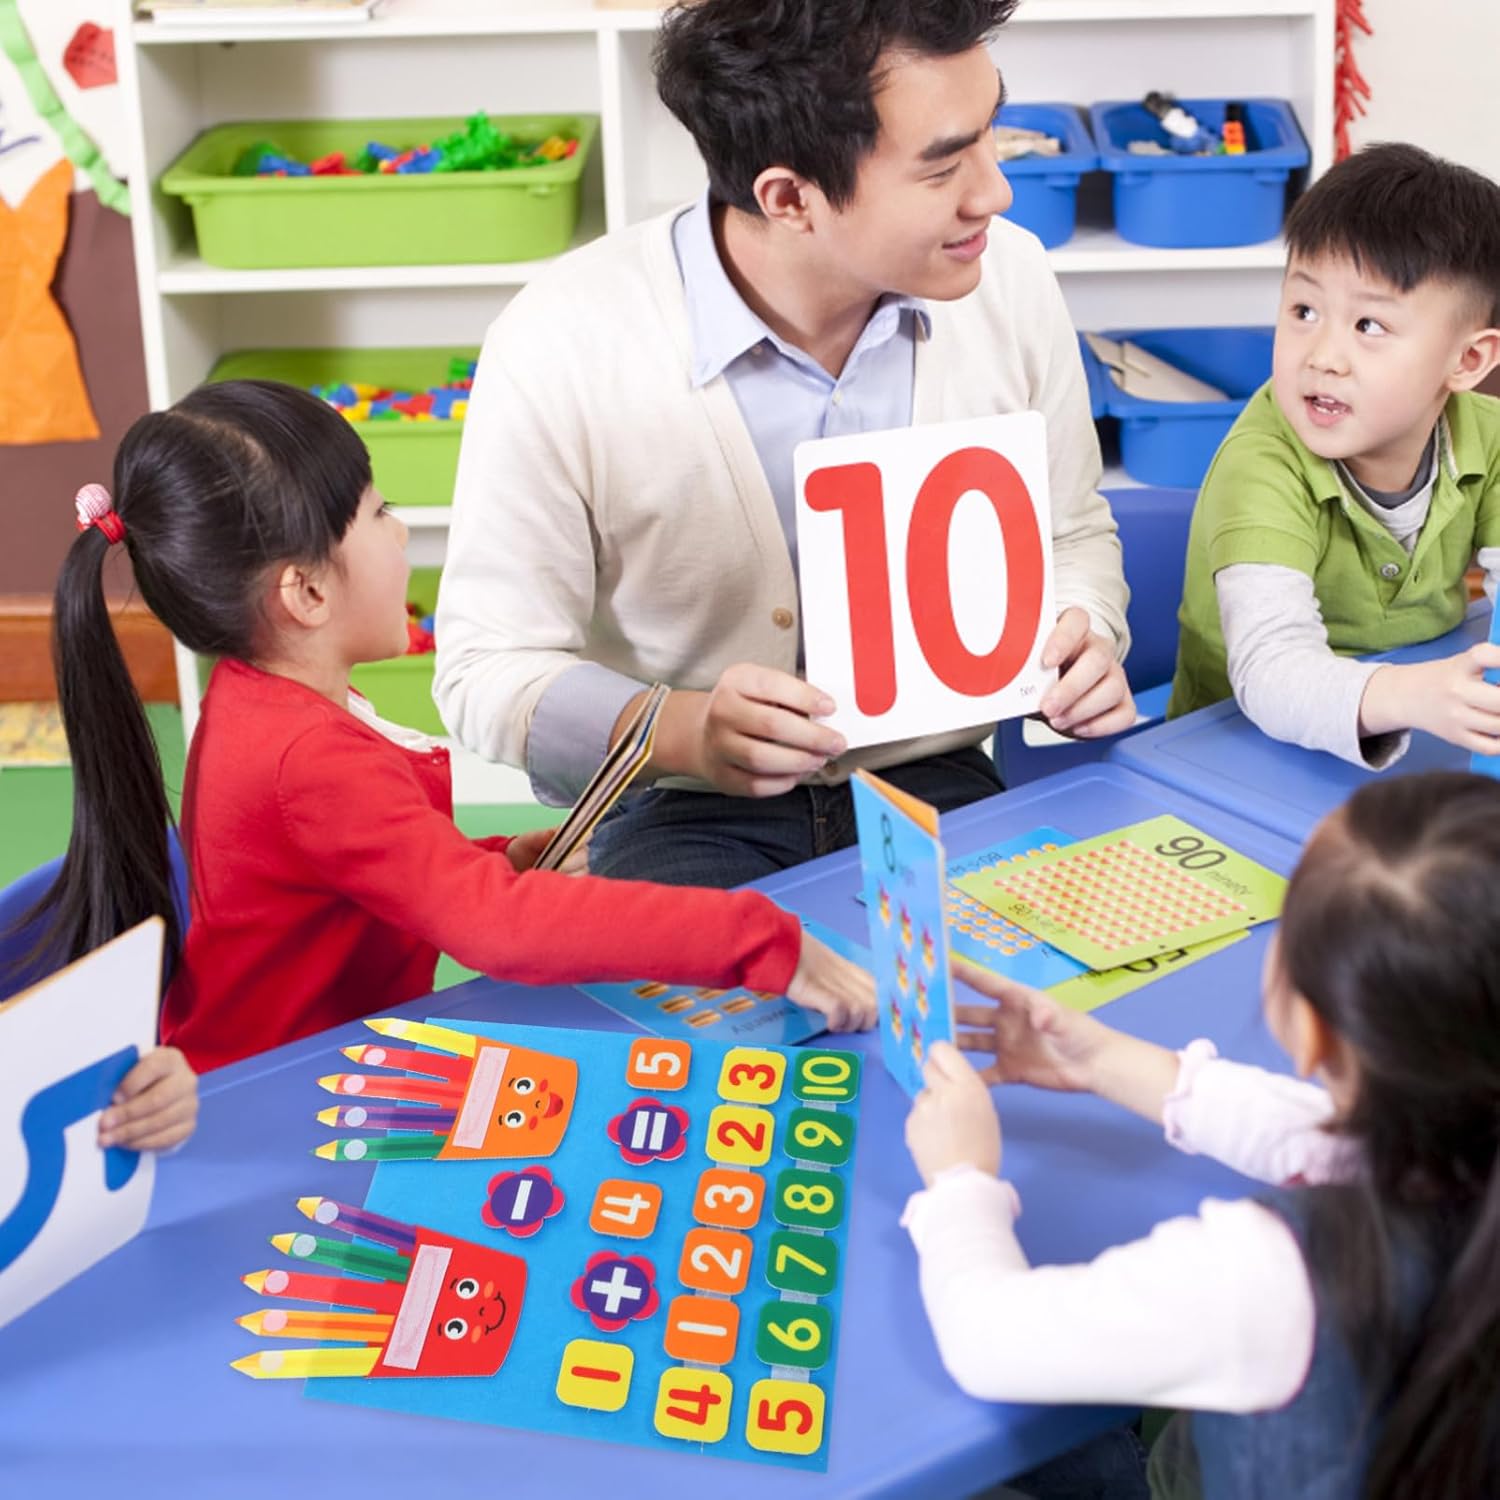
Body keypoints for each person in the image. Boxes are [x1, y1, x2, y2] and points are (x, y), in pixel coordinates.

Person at [434, 0, 1134, 889]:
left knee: (1044, 968)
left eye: (991, 133)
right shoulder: (560, 342)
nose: (995, 193)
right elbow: (486, 668)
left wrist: (1084, 631)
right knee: (696, 984)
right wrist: (680, 729)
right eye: (942, 167)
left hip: (933, 775)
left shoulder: (1011, 277)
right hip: (680, 802)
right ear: (788, 197)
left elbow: (1070, 533)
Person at [18, 380, 873, 1074]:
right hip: (282, 1093)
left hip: (281, 1061)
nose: (402, 534)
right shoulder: (306, 757)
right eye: (379, 514)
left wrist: (493, 858)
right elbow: (497, 929)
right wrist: (760, 940)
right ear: (305, 593)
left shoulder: (258, 700)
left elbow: (357, 871)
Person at [904, 771, 1500, 1498]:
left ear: (1310, 1029)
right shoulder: (1459, 1147)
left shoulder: (1269, 1276)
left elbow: (991, 1342)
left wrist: (960, 1180)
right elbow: (1341, 1142)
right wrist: (1103, 1062)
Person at [1169, 144, 1500, 768]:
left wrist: (1424, 698)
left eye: (1368, 326)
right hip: (1235, 752)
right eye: (1304, 311)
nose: (1322, 356)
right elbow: (1271, 671)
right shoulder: (1262, 461)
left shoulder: (1490, 435)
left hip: (1418, 736)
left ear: (1467, 361)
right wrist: (1412, 695)